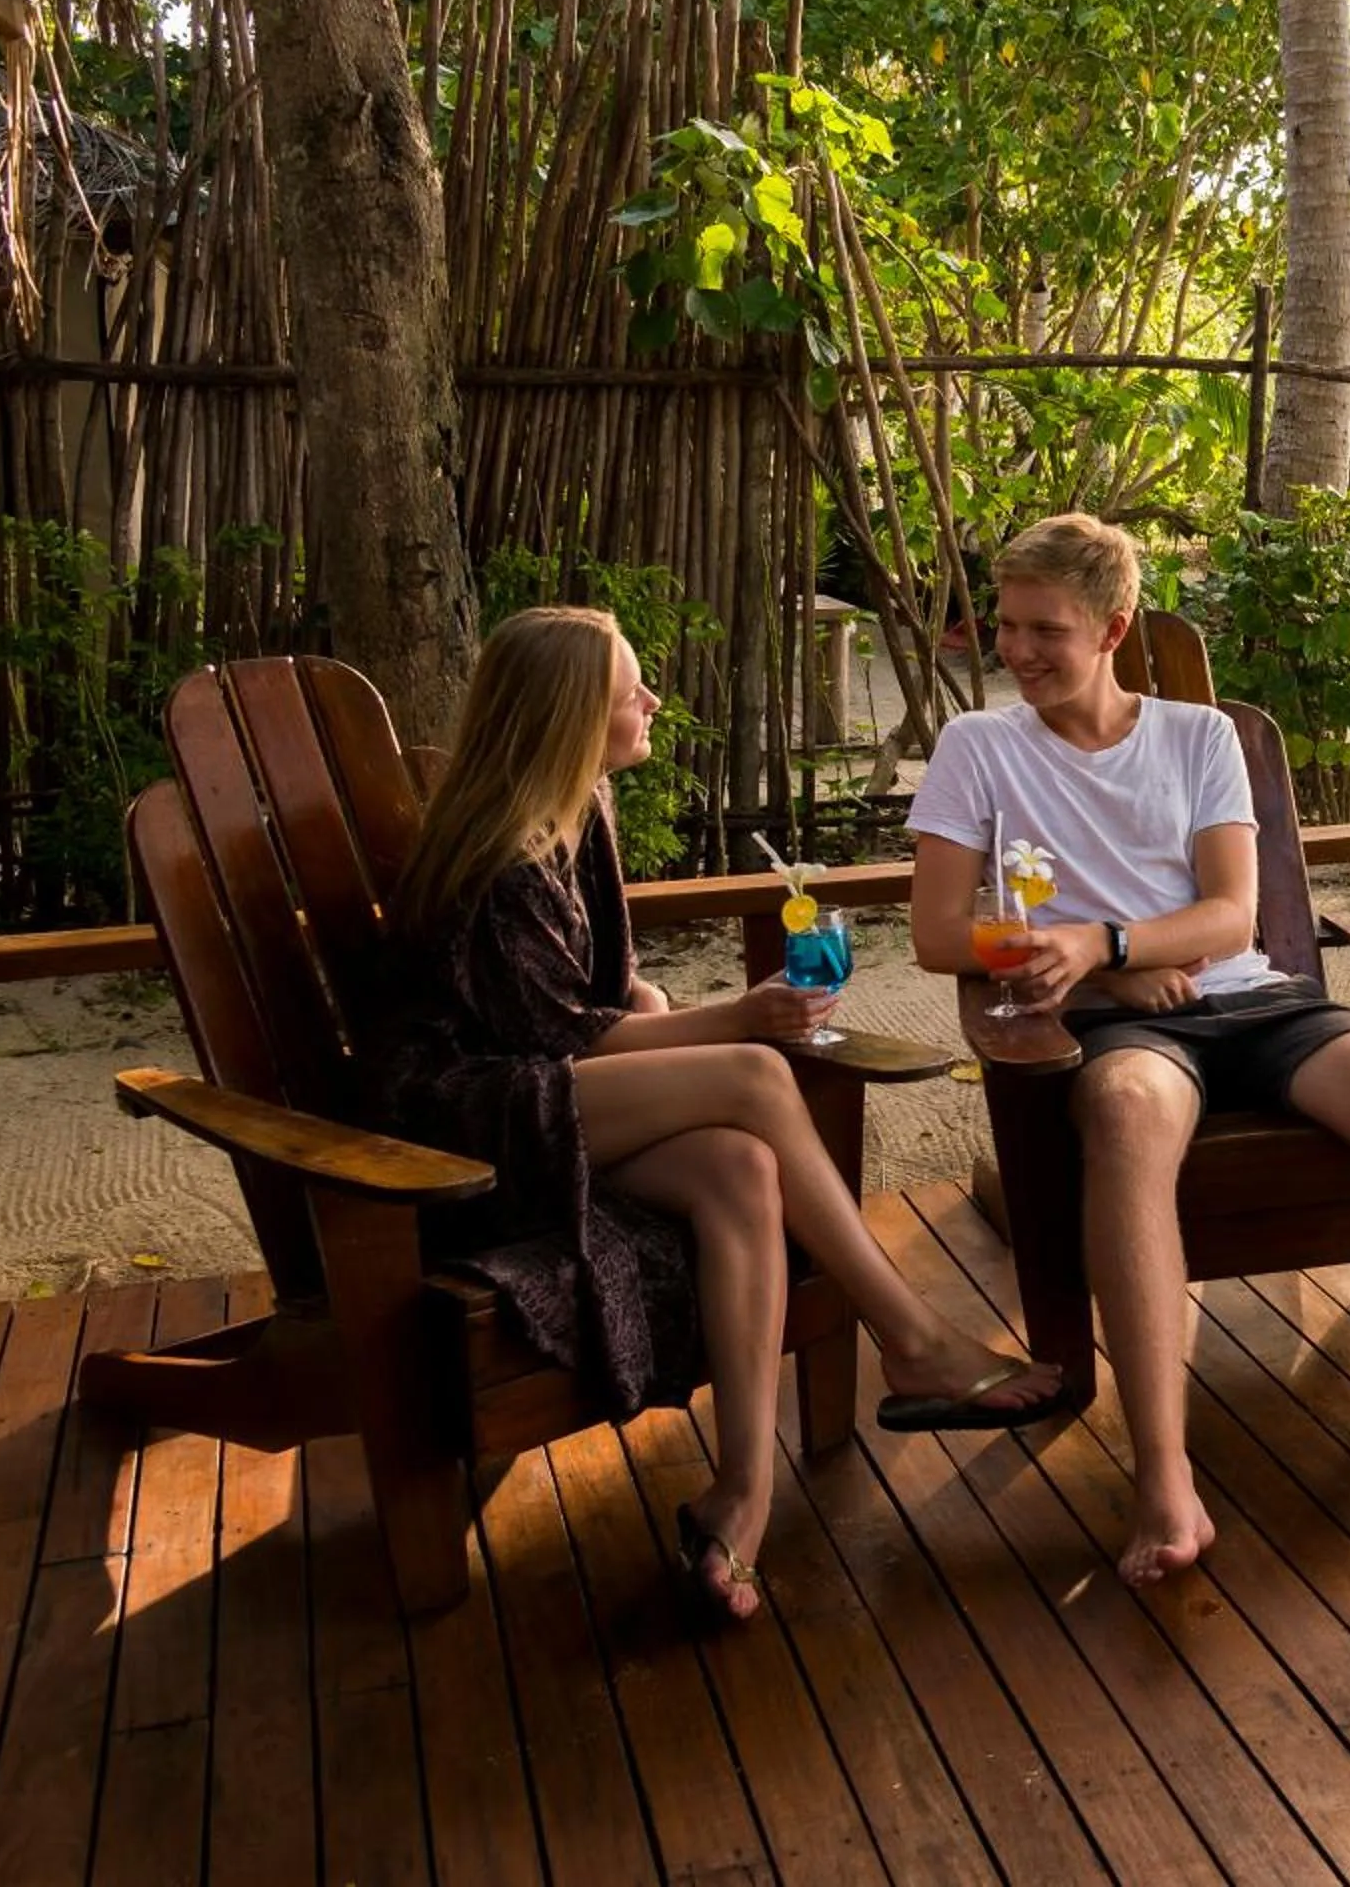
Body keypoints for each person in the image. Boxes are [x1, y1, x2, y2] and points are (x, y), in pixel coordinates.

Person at [907, 515, 1350, 1588]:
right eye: (1006, 626)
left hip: (1247, 999)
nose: (1018, 650)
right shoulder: (981, 750)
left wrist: (1110, 937)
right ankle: (1162, 1475)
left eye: (1046, 628)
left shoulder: (1198, 737)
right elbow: (938, 934)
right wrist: (1104, 975)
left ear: (1114, 629)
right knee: (1132, 1116)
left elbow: (1233, 918)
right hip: (1113, 1025)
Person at [365, 606, 1061, 1624]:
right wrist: (734, 1013)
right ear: (569, 713)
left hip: (554, 1095)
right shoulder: (502, 861)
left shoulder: (579, 807)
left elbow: (591, 1002)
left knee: (742, 1165)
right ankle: (910, 1333)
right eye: (631, 688)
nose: (652, 702)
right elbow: (563, 1047)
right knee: (752, 1075)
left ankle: (743, 1491)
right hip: (462, 1135)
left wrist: (651, 1006)